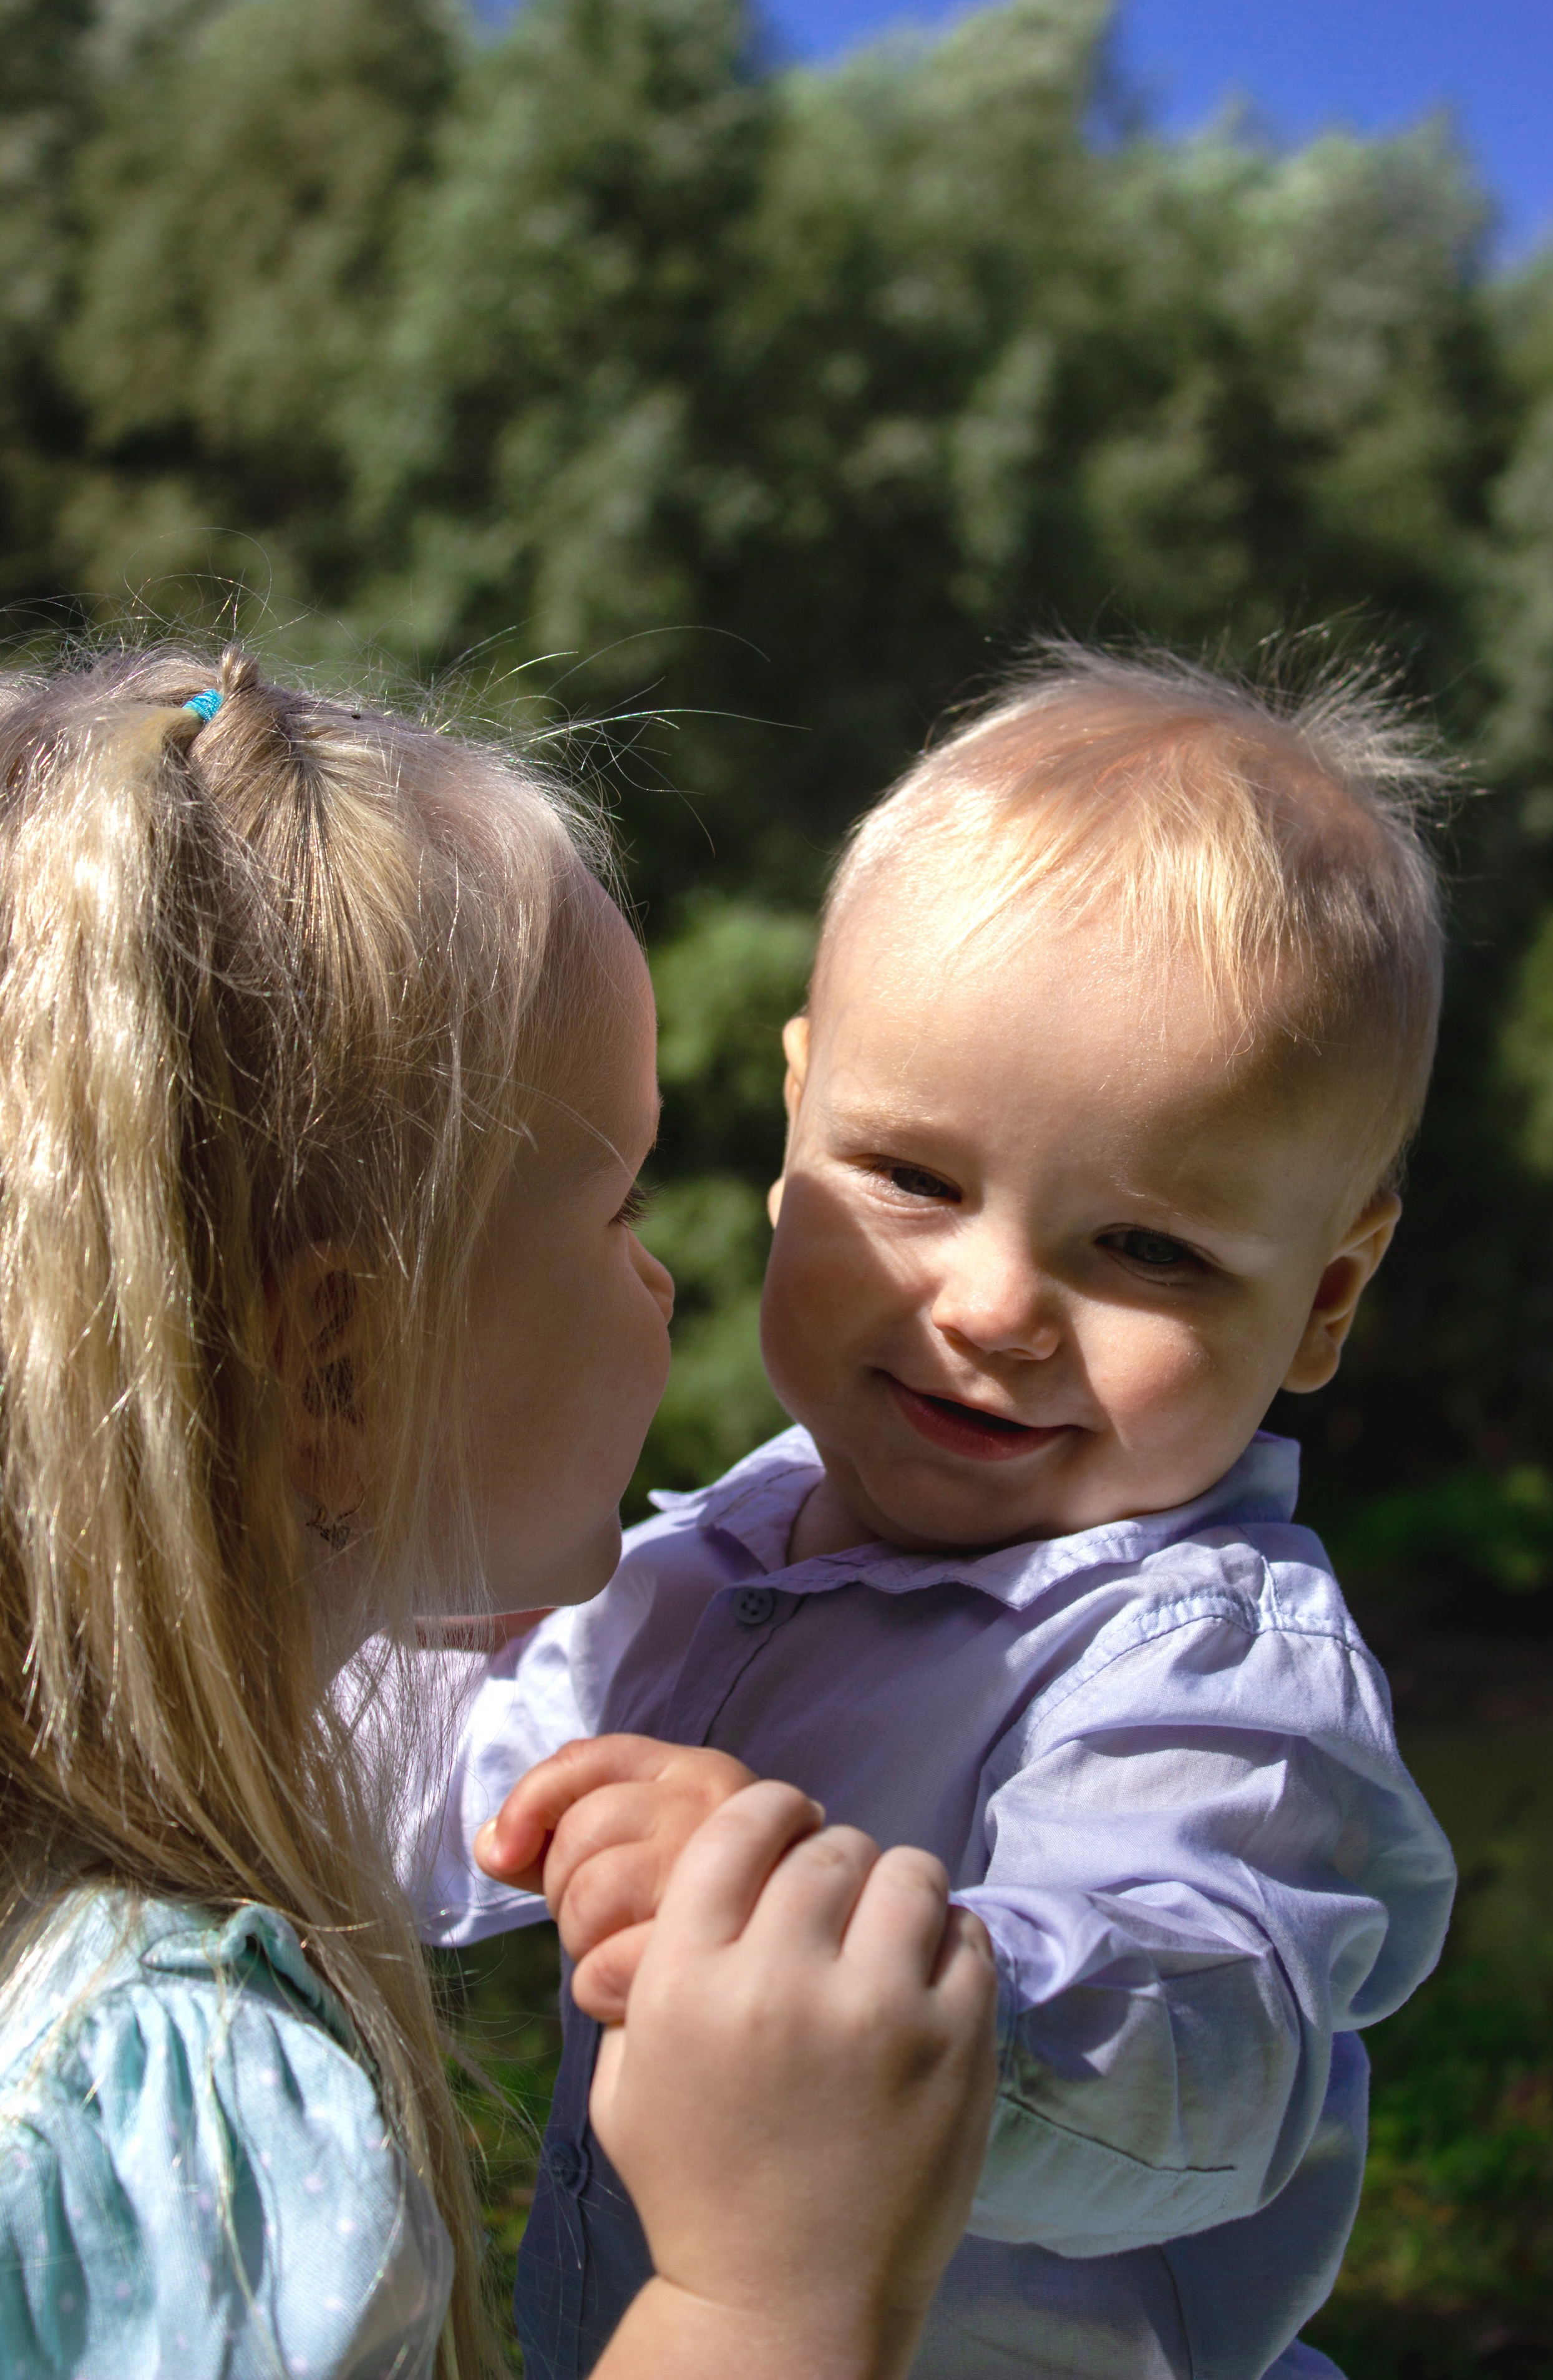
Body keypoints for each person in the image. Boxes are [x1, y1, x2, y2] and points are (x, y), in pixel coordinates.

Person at [411, 645, 1461, 2380]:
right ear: (797, 1112)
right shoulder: (734, 1550)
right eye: (912, 1178)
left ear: (1330, 1295)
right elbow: (456, 1785)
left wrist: (852, 1951)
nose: (989, 1307)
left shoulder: (1205, 1667)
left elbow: (1195, 2053)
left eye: (1149, 1250)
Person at [0, 646, 997, 2380]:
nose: (669, 1279)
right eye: (615, 1205)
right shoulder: (185, 2117)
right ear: (337, 1372)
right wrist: (772, 2290)